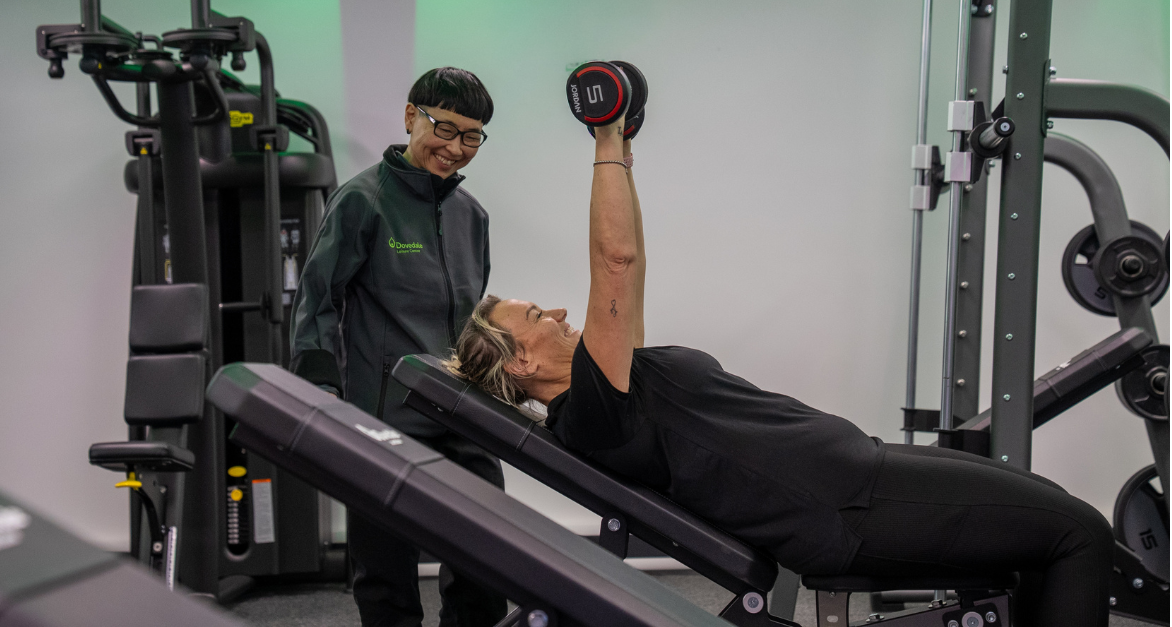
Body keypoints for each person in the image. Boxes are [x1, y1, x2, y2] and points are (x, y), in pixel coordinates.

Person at [447, 111, 1115, 627]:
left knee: (1047, 529)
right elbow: (613, 263)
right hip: (845, 509)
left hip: (859, 476)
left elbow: (632, 262)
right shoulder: (592, 412)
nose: (558, 310)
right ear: (522, 359)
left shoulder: (612, 380)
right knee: (1080, 535)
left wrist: (621, 154)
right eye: (534, 314)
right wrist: (600, 139)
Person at [290, 68, 506, 627]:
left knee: (488, 563)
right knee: (385, 574)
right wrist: (319, 389)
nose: (455, 147)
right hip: (385, 417)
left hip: (463, 414)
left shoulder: (472, 216)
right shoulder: (363, 201)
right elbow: (318, 299)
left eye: (472, 136)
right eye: (445, 128)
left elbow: (472, 319)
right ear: (412, 116)